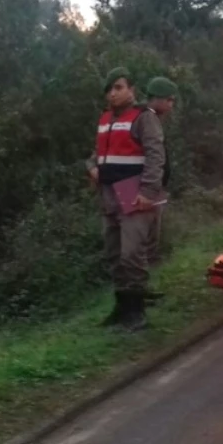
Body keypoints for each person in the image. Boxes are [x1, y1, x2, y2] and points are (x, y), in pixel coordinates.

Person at [85, 67, 166, 331]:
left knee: (132, 253)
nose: (113, 93)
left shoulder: (143, 117)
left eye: (119, 87)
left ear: (131, 89)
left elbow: (156, 156)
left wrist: (148, 192)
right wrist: (92, 167)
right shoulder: (104, 118)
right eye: (109, 89)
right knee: (114, 253)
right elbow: (96, 153)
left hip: (133, 190)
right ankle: (121, 309)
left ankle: (137, 312)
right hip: (108, 192)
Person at [142, 77, 177, 287]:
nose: (171, 105)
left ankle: (146, 283)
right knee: (146, 238)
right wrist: (151, 189)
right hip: (148, 190)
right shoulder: (147, 118)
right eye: (169, 100)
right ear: (158, 99)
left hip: (155, 188)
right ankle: (141, 286)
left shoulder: (152, 119)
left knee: (151, 237)